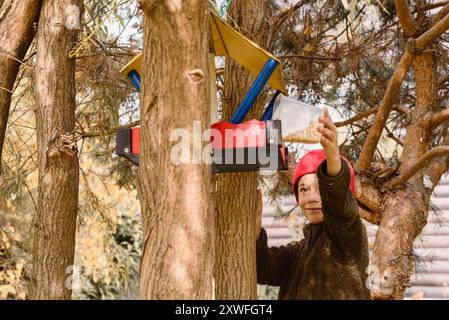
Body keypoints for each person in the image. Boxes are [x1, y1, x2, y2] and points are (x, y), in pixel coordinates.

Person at [256, 107, 370, 300]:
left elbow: (339, 206)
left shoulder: (348, 238)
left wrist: (333, 155)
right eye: (304, 189)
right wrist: (254, 229)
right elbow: (263, 269)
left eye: (320, 188)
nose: (312, 198)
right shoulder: (299, 251)